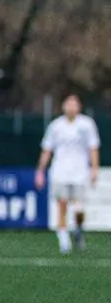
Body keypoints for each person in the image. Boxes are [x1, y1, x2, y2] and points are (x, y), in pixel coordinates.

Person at [36, 94, 100, 254]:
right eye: (68, 104)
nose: (71, 107)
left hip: (79, 172)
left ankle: (78, 229)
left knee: (79, 209)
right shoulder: (55, 126)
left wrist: (94, 168)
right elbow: (47, 149)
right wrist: (40, 171)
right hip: (60, 172)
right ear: (64, 107)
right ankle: (64, 241)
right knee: (62, 205)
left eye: (74, 104)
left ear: (79, 107)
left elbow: (93, 147)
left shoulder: (87, 124)